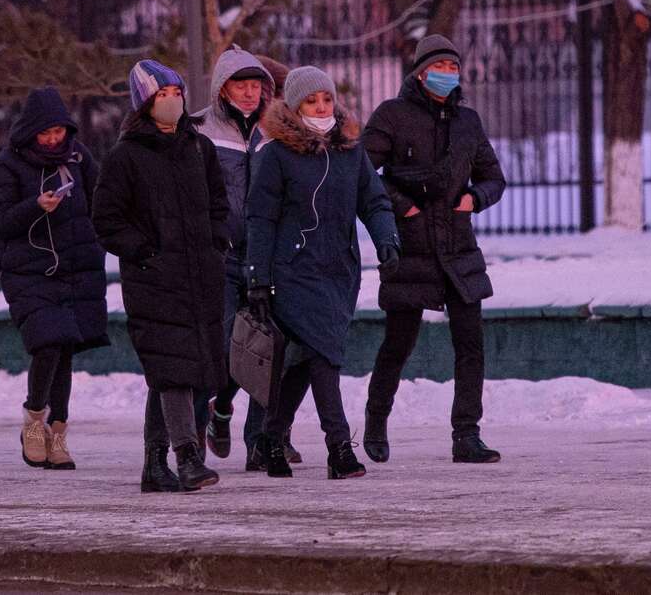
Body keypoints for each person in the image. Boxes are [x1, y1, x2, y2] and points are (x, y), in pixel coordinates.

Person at [244, 67, 399, 480]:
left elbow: (375, 201)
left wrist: (387, 240)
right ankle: (338, 448)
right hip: (293, 270)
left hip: (339, 271)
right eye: (311, 101)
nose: (321, 107)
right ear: (294, 107)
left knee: (308, 356)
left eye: (326, 99)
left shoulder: (350, 150)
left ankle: (270, 438)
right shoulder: (275, 154)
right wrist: (257, 276)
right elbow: (259, 219)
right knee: (324, 355)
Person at [362, 34, 509, 465]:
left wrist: (476, 198)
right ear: (420, 71)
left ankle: (467, 434)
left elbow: (494, 177)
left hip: (458, 246)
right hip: (412, 246)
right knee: (399, 341)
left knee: (470, 342)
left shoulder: (468, 122)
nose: (448, 74)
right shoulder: (392, 115)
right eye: (439, 66)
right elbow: (362, 173)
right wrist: (402, 205)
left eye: (453, 67)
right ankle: (376, 418)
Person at [91, 60, 231, 494]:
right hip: (154, 280)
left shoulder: (198, 148)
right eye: (162, 94)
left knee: (180, 368)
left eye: (177, 93)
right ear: (144, 102)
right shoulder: (126, 156)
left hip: (200, 275)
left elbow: (219, 203)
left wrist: (217, 243)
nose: (172, 101)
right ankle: (187, 456)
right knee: (174, 371)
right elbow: (107, 219)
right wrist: (145, 252)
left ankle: (154, 464)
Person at [0, 87, 105, 471]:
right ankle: (34, 418)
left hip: (75, 267)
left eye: (59, 132)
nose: (54, 139)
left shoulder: (78, 156)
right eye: (46, 133)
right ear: (30, 131)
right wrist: (35, 206)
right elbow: (0, 220)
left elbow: (101, 197)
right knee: (48, 343)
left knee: (66, 347)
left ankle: (58, 431)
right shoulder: (9, 164)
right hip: (29, 270)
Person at [191, 47, 278, 469]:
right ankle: (219, 409)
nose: (249, 93)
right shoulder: (200, 132)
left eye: (256, 85)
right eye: (240, 86)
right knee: (228, 348)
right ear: (222, 89)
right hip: (221, 258)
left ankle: (258, 441)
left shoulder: (274, 131)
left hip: (264, 255)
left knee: (264, 349)